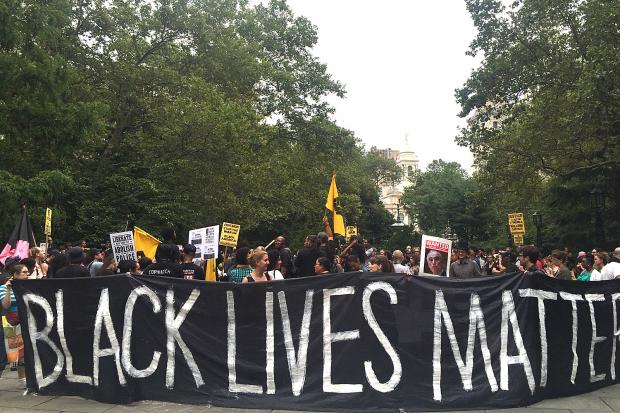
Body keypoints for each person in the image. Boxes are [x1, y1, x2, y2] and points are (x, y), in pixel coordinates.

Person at [1, 263, 29, 384]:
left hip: (25, 321)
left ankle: (24, 379)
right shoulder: (3, 288)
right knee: (13, 352)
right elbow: (6, 305)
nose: (27, 274)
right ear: (15, 274)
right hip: (10, 323)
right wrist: (8, 289)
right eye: (24, 272)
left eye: (27, 272)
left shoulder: (26, 286)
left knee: (23, 352)